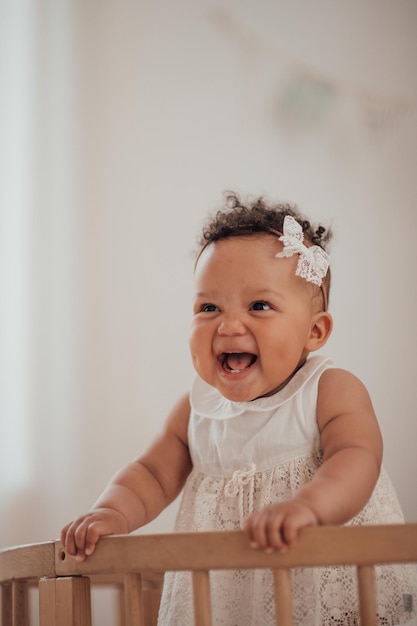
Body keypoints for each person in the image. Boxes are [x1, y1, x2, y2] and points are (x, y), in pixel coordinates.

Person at [61, 192, 416, 625]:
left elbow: (357, 457)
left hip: (329, 581)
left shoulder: (329, 391)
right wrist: (111, 512)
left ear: (315, 331)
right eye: (208, 307)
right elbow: (152, 474)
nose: (228, 325)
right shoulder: (198, 409)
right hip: (232, 599)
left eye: (259, 306)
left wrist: (310, 507)